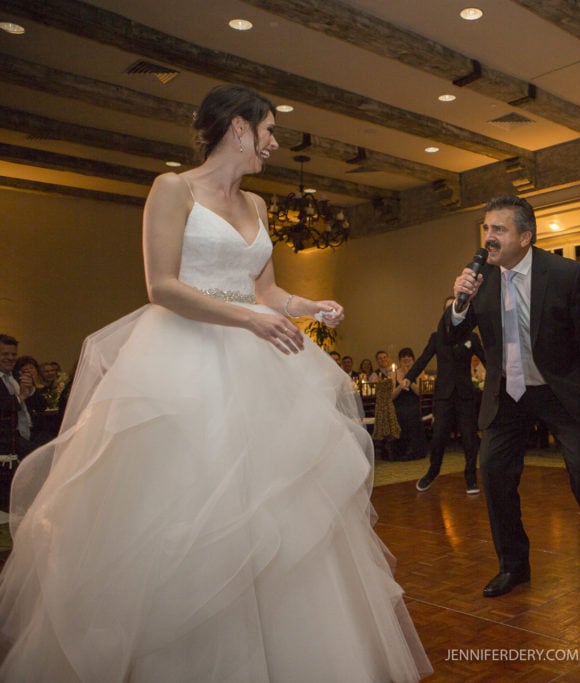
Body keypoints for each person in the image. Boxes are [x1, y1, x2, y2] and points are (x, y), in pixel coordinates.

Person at [0, 85, 431, 681]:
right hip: (182, 357)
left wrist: (312, 305)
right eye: (269, 130)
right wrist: (249, 318)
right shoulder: (173, 188)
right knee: (185, 505)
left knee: (273, 509)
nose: (275, 143)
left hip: (256, 363)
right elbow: (163, 286)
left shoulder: (256, 205)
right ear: (238, 127)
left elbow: (268, 292)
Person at [443, 195, 580, 597]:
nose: (488, 239)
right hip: (506, 393)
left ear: (525, 236)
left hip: (559, 391)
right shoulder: (480, 278)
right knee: (492, 473)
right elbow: (452, 336)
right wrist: (459, 305)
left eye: (499, 229)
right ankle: (514, 566)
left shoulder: (563, 274)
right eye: (486, 228)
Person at [407, 296, 485, 494]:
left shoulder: (471, 337)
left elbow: (487, 360)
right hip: (443, 396)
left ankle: (470, 477)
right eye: (449, 309)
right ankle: (432, 472)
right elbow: (424, 358)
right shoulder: (436, 337)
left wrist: (501, 375)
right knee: (439, 436)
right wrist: (409, 377)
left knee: (469, 437)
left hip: (465, 395)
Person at [390, 347, 429, 461]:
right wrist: (400, 386)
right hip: (399, 402)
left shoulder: (420, 372)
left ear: (413, 360)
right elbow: (391, 396)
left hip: (414, 402)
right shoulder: (393, 374)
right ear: (399, 360)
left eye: (409, 357)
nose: (406, 360)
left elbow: (419, 392)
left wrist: (409, 378)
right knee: (400, 414)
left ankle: (414, 450)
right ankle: (400, 451)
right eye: (403, 358)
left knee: (411, 414)